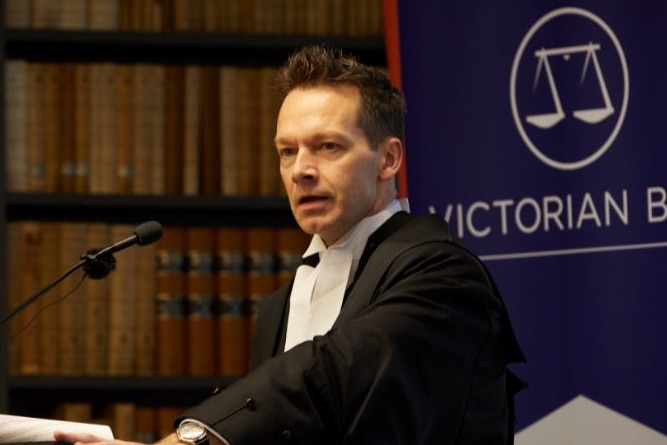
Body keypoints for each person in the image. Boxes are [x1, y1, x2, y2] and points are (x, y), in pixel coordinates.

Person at [56, 45, 525, 445]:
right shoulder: (278, 306)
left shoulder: (441, 274)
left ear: (388, 159)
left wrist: (191, 439)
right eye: (287, 151)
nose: (300, 169)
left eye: (327, 147)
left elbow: (335, 373)